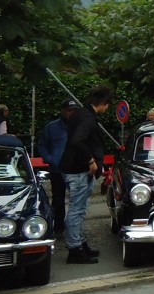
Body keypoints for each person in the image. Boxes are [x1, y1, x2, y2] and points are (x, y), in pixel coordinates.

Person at [59, 85, 114, 264]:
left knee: (79, 209)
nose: (107, 108)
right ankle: (75, 249)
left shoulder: (79, 113)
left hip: (73, 167)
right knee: (77, 210)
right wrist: (91, 160)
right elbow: (77, 141)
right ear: (103, 103)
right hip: (79, 169)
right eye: (108, 105)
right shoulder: (88, 117)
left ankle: (80, 243)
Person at [38, 100, 78, 235]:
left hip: (75, 169)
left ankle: (74, 229)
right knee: (58, 200)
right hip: (57, 169)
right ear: (62, 111)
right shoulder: (51, 127)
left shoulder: (79, 126)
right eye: (69, 110)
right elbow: (42, 144)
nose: (71, 113)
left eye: (74, 110)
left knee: (76, 201)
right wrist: (49, 159)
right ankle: (58, 227)